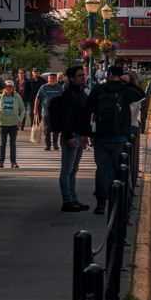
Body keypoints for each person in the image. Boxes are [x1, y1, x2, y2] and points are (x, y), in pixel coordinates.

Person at [86, 66, 145, 215]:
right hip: (119, 135)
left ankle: (101, 202)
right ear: (121, 76)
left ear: (109, 74)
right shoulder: (125, 90)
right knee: (118, 168)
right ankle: (116, 199)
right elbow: (141, 93)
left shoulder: (99, 89)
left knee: (101, 170)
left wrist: (88, 134)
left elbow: (87, 110)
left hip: (100, 136)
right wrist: (129, 83)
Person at [48, 65, 92, 212]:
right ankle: (67, 200)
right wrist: (68, 136)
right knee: (67, 170)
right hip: (71, 135)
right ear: (71, 78)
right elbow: (66, 118)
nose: (82, 77)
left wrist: (85, 135)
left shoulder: (82, 94)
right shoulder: (68, 94)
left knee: (73, 170)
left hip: (79, 135)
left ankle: (73, 198)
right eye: (79, 75)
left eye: (83, 75)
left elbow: (85, 116)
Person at [0, 80, 26, 169]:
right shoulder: (0, 97)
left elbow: (23, 109)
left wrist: (20, 120)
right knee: (2, 143)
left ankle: (13, 162)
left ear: (13, 88)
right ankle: (1, 162)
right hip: (3, 122)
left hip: (13, 123)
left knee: (12, 143)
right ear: (4, 88)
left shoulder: (17, 96)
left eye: (10, 87)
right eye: (7, 86)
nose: (8, 88)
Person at [36, 72, 63, 150]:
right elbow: (37, 99)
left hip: (57, 112)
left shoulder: (59, 88)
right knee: (47, 128)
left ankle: (55, 144)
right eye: (50, 78)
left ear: (56, 79)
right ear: (48, 79)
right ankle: (48, 144)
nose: (51, 79)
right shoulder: (43, 87)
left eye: (53, 78)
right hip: (46, 111)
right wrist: (35, 109)